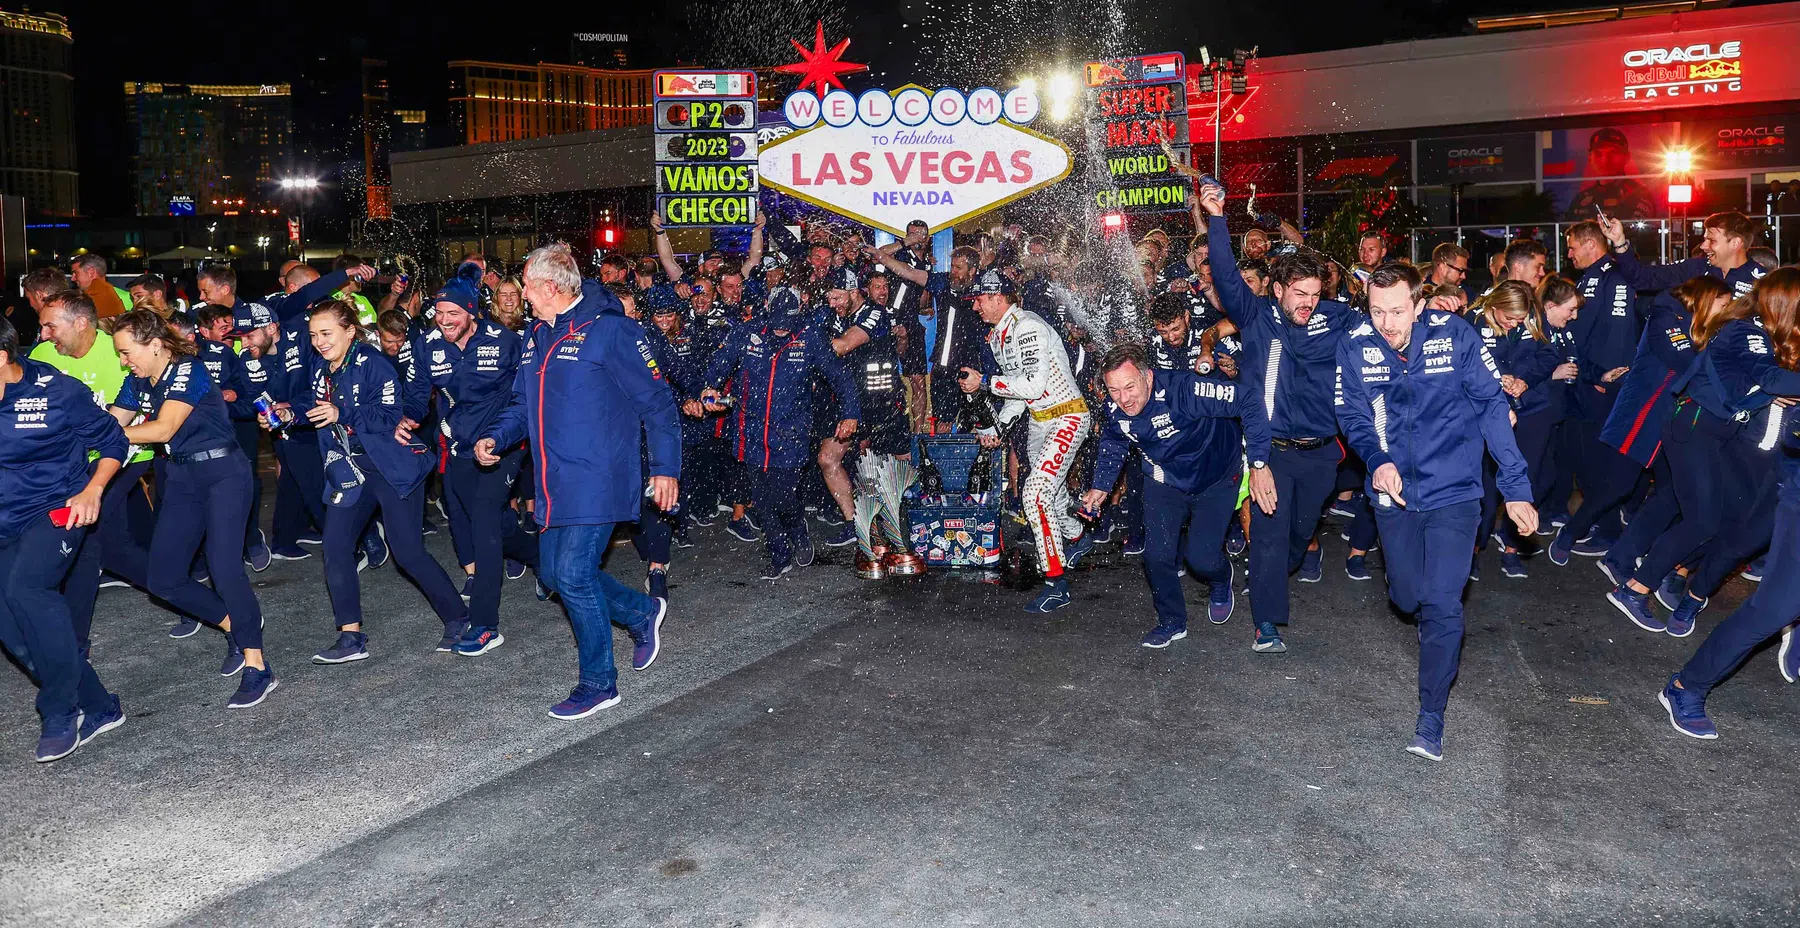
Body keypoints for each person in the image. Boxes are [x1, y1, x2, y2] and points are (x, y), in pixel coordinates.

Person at [1335, 263, 1538, 761]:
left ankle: (1431, 717)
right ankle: (1422, 610)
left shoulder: (1457, 337)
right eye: (1377, 310)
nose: (1387, 323)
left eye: (1398, 311)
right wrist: (1377, 460)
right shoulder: (1356, 344)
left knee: (1442, 603)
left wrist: (1515, 488)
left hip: (1455, 491)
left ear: (1420, 305)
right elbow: (1353, 413)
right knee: (1408, 599)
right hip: (1393, 494)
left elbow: (1493, 406)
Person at [475, 243, 674, 720]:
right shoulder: (537, 335)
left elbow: (658, 403)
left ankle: (599, 684)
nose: (521, 293)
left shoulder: (612, 331)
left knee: (573, 575)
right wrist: (496, 438)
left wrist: (666, 469)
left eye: (525, 284)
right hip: (552, 479)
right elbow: (524, 405)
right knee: (552, 574)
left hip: (599, 477)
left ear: (548, 287)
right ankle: (641, 613)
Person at [1200, 184, 1353, 653]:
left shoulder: (1337, 318)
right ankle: (1265, 624)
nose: (1307, 302)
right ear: (1279, 289)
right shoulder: (1257, 316)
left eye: (1314, 293)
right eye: (1299, 293)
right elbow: (1226, 278)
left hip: (1323, 454)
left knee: (1298, 535)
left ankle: (1270, 573)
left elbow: (1385, 336)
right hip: (1272, 453)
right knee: (1267, 536)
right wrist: (1218, 218)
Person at [1605, 270, 1800, 638]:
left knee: (1713, 516)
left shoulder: (1755, 329)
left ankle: (1657, 576)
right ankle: (1634, 589)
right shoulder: (1746, 330)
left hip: (1714, 431)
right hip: (1695, 426)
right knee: (1702, 520)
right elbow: (1770, 379)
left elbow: (1759, 383)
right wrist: (1770, 390)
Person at [280, 301, 469, 665]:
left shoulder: (372, 362)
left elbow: (389, 413)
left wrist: (342, 412)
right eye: (314, 335)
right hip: (350, 471)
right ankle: (350, 636)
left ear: (350, 330)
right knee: (335, 548)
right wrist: (290, 412)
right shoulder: (323, 368)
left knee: (408, 552)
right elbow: (314, 403)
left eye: (326, 333)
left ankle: (459, 619)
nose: (319, 342)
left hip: (392, 467)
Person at [1655, 267, 1800, 740]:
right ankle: (1692, 606)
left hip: (1776, 457)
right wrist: (1776, 394)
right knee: (1740, 538)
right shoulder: (1745, 332)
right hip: (1751, 453)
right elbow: (1759, 381)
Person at [109, 310, 275, 708]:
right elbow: (113, 420)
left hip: (223, 473)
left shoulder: (189, 370)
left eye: (126, 352)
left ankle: (258, 665)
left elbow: (163, 429)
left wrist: (102, 435)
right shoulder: (138, 379)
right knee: (163, 579)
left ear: (154, 345)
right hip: (182, 478)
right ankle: (236, 623)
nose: (123, 360)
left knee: (223, 567)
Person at [0, 315, 129, 761]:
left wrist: (92, 489)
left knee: (28, 589)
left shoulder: (57, 390)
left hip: (57, 507)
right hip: (3, 517)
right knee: (13, 630)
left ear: (2, 358)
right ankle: (97, 705)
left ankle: (58, 710)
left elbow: (114, 441)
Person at [1083, 343, 1265, 646]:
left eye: (1129, 387)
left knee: (1202, 560)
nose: (1123, 399)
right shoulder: (1114, 408)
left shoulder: (1185, 390)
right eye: (1114, 390)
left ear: (1149, 377)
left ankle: (1221, 579)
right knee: (1156, 555)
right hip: (1164, 478)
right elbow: (1114, 442)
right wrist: (1101, 485)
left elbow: (1247, 400)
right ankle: (1171, 621)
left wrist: (1259, 462)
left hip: (1215, 477)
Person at [401, 276, 536, 655]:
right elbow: (416, 399)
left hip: (504, 445)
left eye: (453, 313)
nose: (444, 320)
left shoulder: (505, 341)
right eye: (440, 313)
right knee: (497, 525)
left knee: (483, 522)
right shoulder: (426, 347)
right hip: (460, 448)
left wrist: (499, 436)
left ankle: (485, 625)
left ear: (472, 312)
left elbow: (524, 397)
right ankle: (545, 560)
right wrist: (406, 419)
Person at [29, 290, 167, 645]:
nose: (44, 334)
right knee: (114, 548)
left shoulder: (119, 351)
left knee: (87, 542)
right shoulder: (42, 356)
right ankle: (184, 594)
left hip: (128, 456)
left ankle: (74, 644)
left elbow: (129, 424)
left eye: (50, 326)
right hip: (74, 465)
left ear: (80, 324)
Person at [957, 268, 1093, 612]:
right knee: (1052, 492)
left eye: (980, 300)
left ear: (998, 298)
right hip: (1038, 421)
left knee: (1034, 495)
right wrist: (997, 428)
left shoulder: (1027, 326)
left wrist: (985, 382)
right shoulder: (999, 335)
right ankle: (1077, 537)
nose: (975, 308)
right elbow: (1020, 393)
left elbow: (1032, 385)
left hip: (1068, 414)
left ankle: (1056, 583)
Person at [703, 289, 860, 579]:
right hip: (750, 428)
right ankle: (779, 553)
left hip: (791, 430)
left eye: (785, 323)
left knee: (784, 496)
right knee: (761, 500)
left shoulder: (809, 337)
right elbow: (720, 362)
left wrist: (850, 413)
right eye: (775, 321)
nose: (779, 328)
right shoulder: (748, 333)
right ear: (766, 307)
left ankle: (799, 530)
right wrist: (709, 386)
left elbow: (840, 377)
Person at [1547, 220, 1641, 564]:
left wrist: (1602, 375)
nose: (1569, 254)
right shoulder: (1609, 275)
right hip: (1598, 381)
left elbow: (1608, 334)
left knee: (1594, 461)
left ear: (1591, 244)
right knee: (1586, 458)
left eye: (1572, 247)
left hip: (1598, 385)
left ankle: (1606, 530)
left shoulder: (1603, 278)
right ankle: (1603, 524)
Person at [71, 255, 127, 320]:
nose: (73, 278)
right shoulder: (113, 293)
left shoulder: (96, 297)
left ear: (91, 272)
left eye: (75, 273)